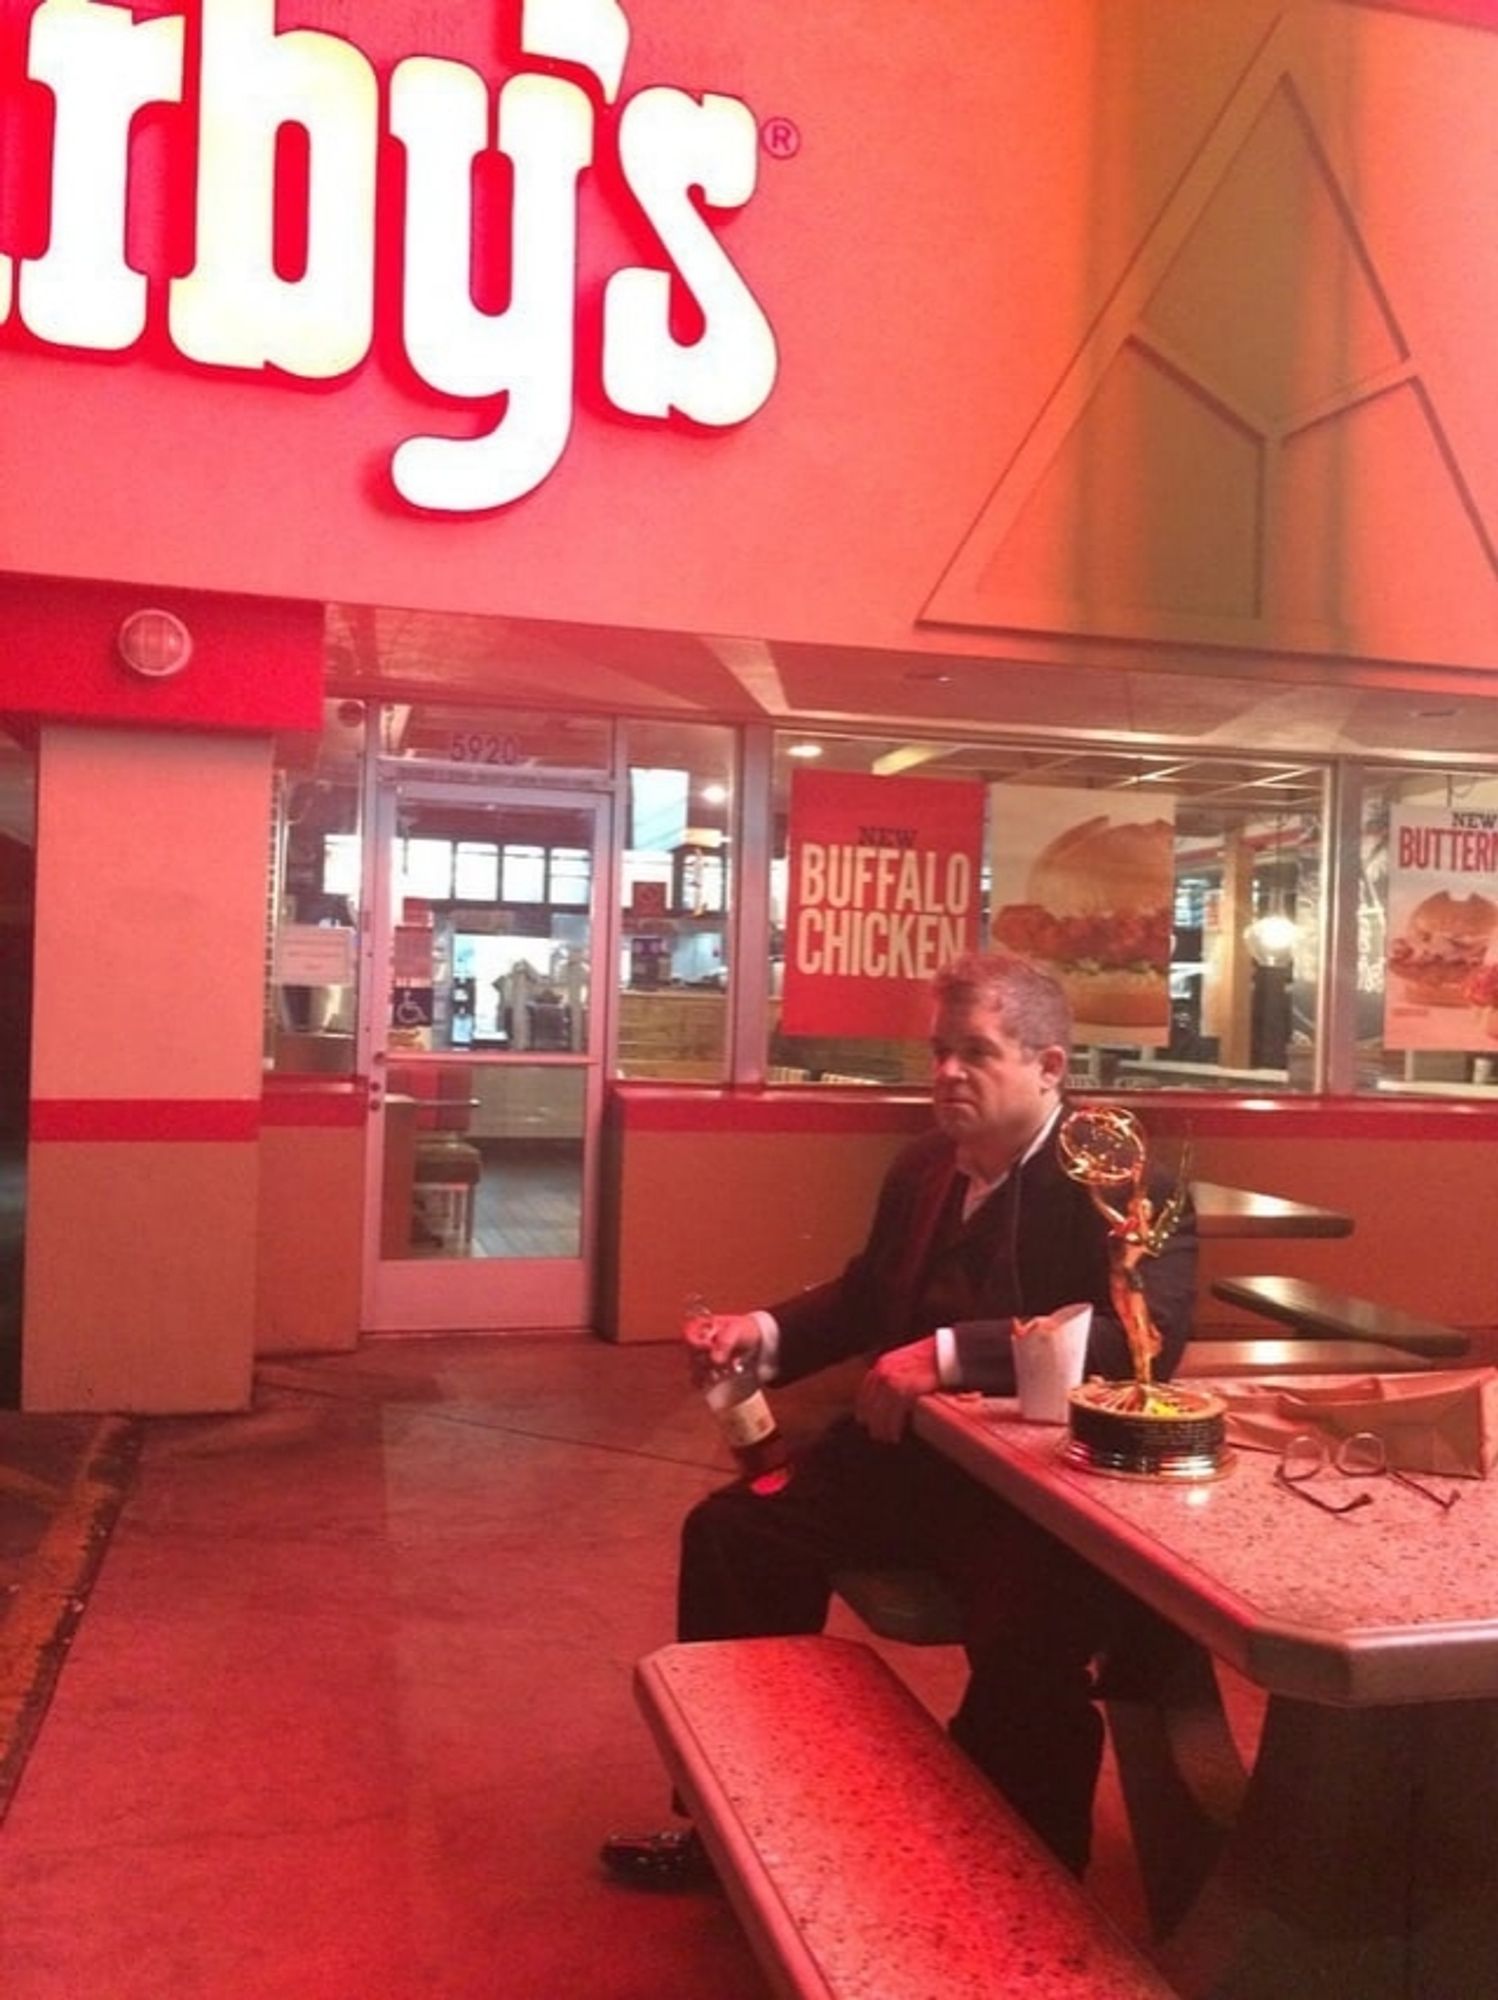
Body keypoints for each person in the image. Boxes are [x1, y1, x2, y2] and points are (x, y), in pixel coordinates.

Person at [602, 950, 1198, 1886]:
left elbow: (1141, 1339)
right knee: (734, 1533)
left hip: (1034, 1497)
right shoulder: (924, 1167)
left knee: (1030, 1646)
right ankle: (737, 1823)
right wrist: (755, 1333)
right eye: (938, 1053)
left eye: (976, 1052)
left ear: (1050, 1067)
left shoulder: (1120, 1181)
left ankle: (1019, 1890)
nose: (947, 1074)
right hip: (904, 1462)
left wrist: (952, 1354)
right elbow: (866, 1294)